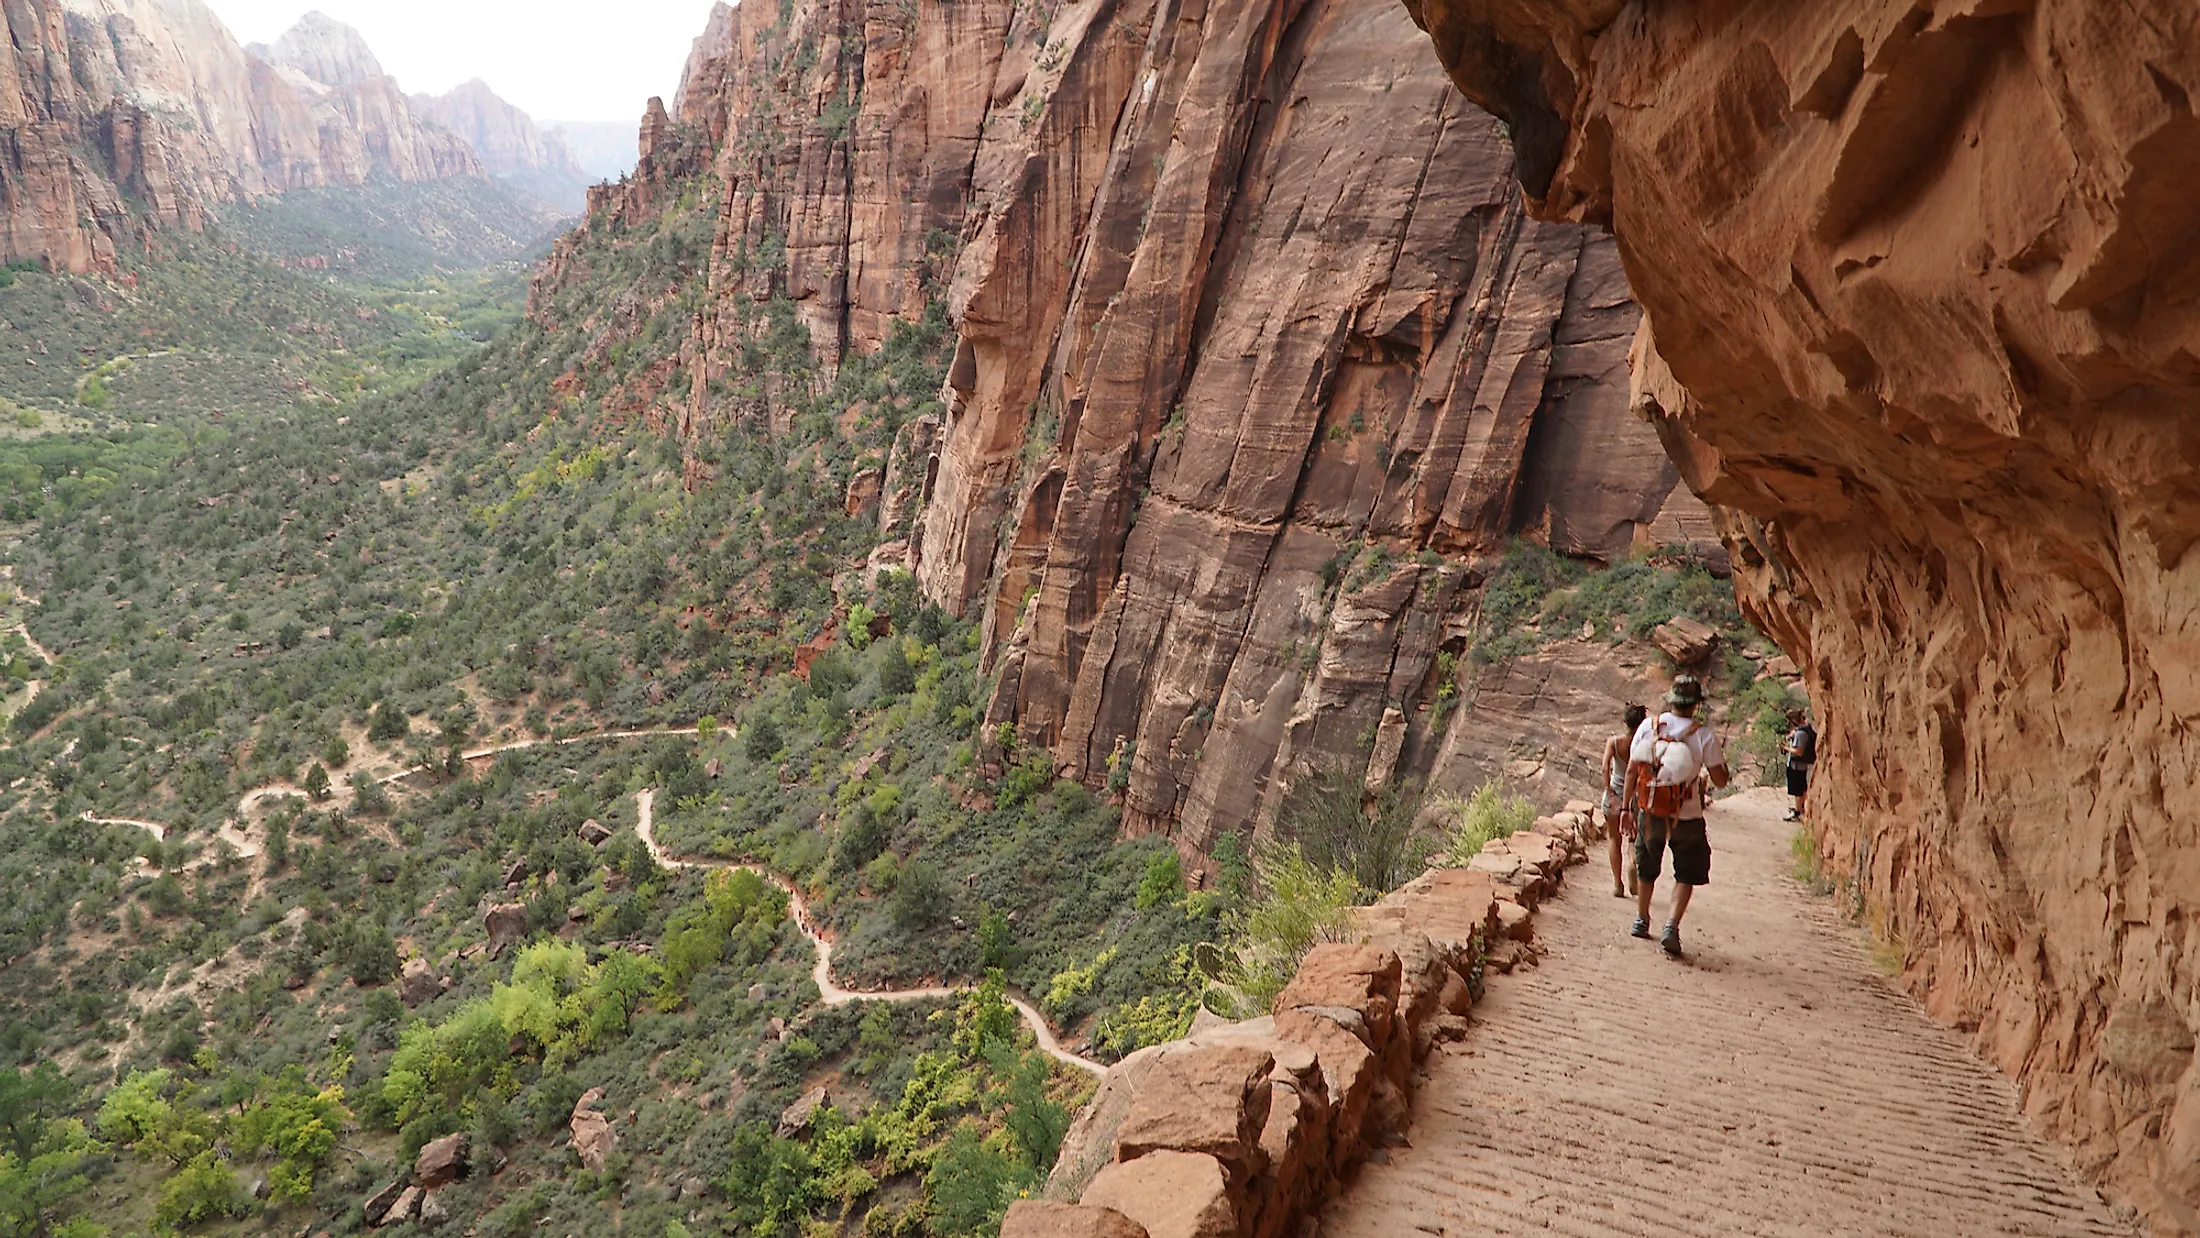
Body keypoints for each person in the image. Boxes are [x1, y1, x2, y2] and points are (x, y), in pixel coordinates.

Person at [1623, 674, 1729, 957]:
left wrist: (1626, 809)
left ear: (1671, 700)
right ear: (1696, 705)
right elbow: (1720, 780)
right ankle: (1671, 925)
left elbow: (1633, 769)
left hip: (1651, 808)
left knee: (1647, 865)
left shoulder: (1649, 726)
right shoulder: (1703, 735)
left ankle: (1642, 918)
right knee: (1687, 870)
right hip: (1688, 815)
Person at [1601, 704, 1648, 898]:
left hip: (1615, 795)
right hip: (1637, 797)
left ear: (1624, 722)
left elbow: (1605, 768)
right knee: (1633, 838)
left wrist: (1609, 792)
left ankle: (1617, 884)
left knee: (1614, 837)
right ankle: (1632, 864)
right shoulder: (1644, 745)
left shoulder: (1613, 742)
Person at [1781, 708, 1816, 821]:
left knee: (1797, 790)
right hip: (1802, 765)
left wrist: (1785, 748)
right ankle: (1801, 807)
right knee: (1802, 787)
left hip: (1796, 765)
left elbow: (1799, 751)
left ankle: (1797, 812)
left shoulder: (1801, 734)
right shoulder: (1805, 729)